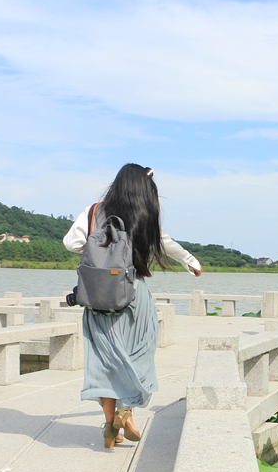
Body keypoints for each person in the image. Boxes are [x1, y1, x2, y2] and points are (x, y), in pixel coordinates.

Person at [63, 164, 202, 449]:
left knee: (104, 362)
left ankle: (109, 427)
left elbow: (71, 243)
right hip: (134, 295)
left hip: (98, 297)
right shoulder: (144, 215)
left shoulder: (93, 211)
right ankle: (125, 413)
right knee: (138, 355)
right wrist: (190, 261)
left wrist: (100, 249)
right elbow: (167, 244)